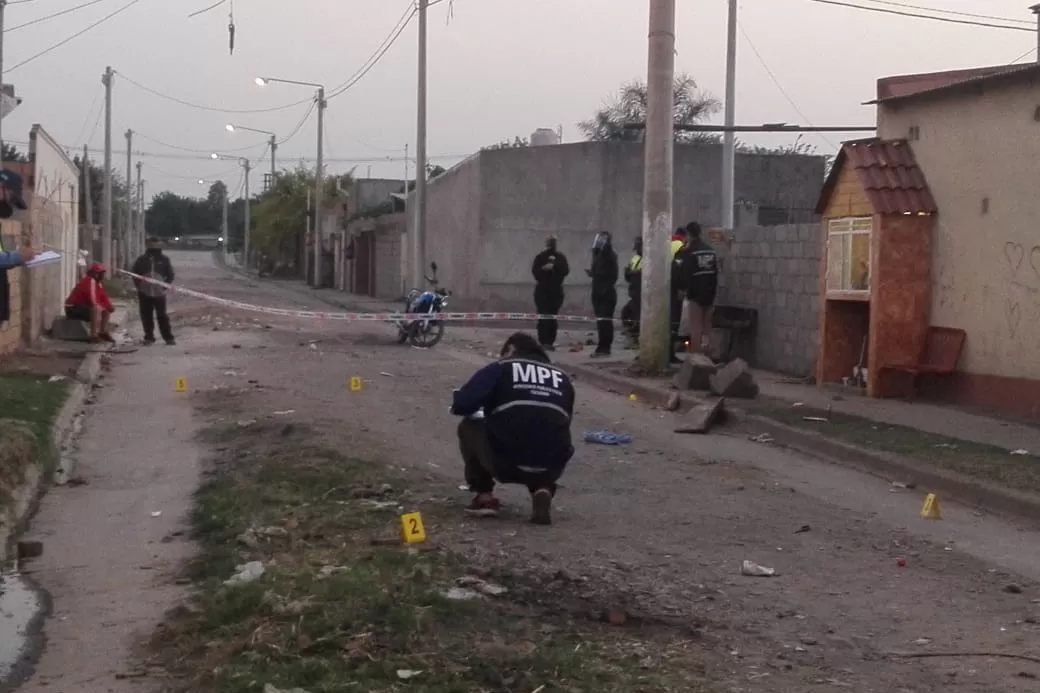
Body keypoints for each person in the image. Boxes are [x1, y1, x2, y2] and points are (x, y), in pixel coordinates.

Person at [451, 332, 576, 525]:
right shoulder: (562, 378)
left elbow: (463, 405)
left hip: (505, 462)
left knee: (469, 425)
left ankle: (484, 498)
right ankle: (542, 487)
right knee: (544, 429)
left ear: (510, 349)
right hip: (552, 465)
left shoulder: (502, 368)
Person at [681, 222, 719, 354]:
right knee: (708, 326)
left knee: (695, 327)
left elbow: (686, 274)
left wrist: (687, 291)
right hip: (710, 293)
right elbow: (715, 272)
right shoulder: (710, 250)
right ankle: (711, 354)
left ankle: (696, 358)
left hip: (696, 294)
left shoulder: (690, 252)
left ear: (689, 234)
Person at [131, 237, 176, 345]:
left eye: (156, 244)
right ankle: (149, 337)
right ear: (147, 245)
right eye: (151, 244)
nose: (154, 247)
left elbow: (170, 275)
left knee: (162, 315)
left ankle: (168, 337)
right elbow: (134, 274)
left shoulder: (164, 260)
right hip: (144, 293)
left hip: (159, 293)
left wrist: (164, 286)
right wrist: (139, 286)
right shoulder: (141, 260)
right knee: (146, 315)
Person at [531, 236, 569, 350]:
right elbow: (535, 272)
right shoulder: (540, 257)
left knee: (552, 317)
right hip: (542, 291)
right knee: (543, 317)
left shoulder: (560, 257)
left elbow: (565, 270)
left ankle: (550, 342)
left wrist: (555, 267)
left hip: (555, 291)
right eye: (550, 243)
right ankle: (543, 341)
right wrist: (543, 269)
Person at [64, 263, 115, 343]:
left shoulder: (98, 283)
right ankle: (93, 335)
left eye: (101, 273)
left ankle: (103, 332)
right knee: (96, 309)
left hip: (82, 306)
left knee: (106, 309)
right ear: (93, 273)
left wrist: (109, 306)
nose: (101, 275)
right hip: (72, 308)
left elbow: (103, 297)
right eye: (99, 273)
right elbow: (92, 300)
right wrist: (101, 307)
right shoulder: (90, 280)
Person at [586, 231, 618, 358]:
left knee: (605, 321)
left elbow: (610, 275)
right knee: (601, 321)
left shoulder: (609, 255)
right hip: (598, 291)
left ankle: (605, 347)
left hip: (606, 293)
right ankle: (602, 346)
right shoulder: (598, 256)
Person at [668, 227, 689, 364]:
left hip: (663, 287)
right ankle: (670, 354)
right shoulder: (681, 247)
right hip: (675, 289)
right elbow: (682, 269)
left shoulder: (668, 243)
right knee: (674, 322)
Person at [621, 236, 643, 347]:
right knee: (626, 313)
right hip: (633, 292)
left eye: (640, 247)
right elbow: (629, 275)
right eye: (637, 247)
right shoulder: (635, 258)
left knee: (638, 317)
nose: (638, 249)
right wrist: (629, 273)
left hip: (642, 294)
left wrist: (632, 273)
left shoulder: (649, 259)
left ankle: (638, 340)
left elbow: (642, 274)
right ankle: (633, 337)